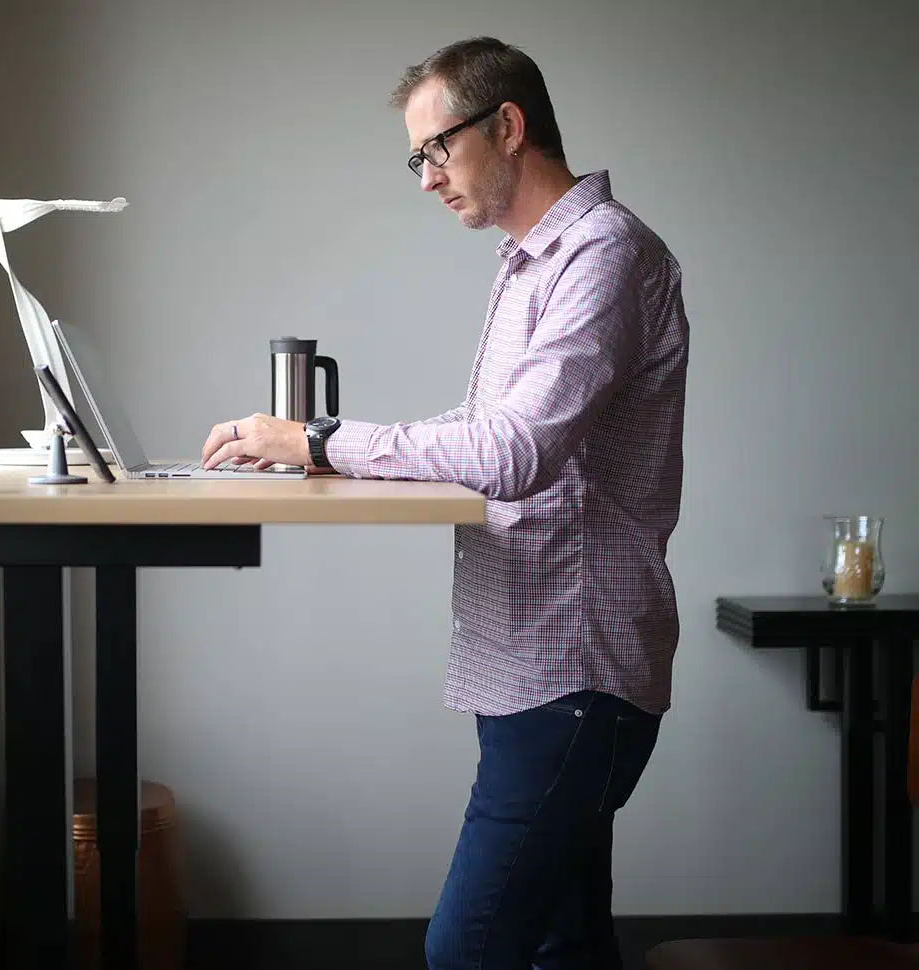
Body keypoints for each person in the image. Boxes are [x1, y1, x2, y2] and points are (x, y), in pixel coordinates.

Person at [200, 36, 688, 970]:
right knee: (563, 946)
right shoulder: (532, 264)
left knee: (466, 950)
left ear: (507, 126)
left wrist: (319, 439)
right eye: (415, 157)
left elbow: (513, 451)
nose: (424, 178)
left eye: (437, 150)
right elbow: (483, 432)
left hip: (571, 672)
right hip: (533, 663)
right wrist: (320, 454)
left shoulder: (604, 256)